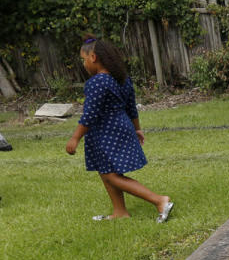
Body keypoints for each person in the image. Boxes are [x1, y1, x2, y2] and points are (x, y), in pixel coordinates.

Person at [66, 35, 173, 222]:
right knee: (105, 170)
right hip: (121, 127)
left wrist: (75, 138)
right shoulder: (122, 79)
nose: (84, 65)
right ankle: (120, 212)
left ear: (93, 58)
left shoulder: (97, 82)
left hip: (106, 132)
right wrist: (137, 129)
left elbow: (89, 115)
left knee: (111, 175)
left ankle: (159, 200)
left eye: (84, 60)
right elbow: (131, 107)